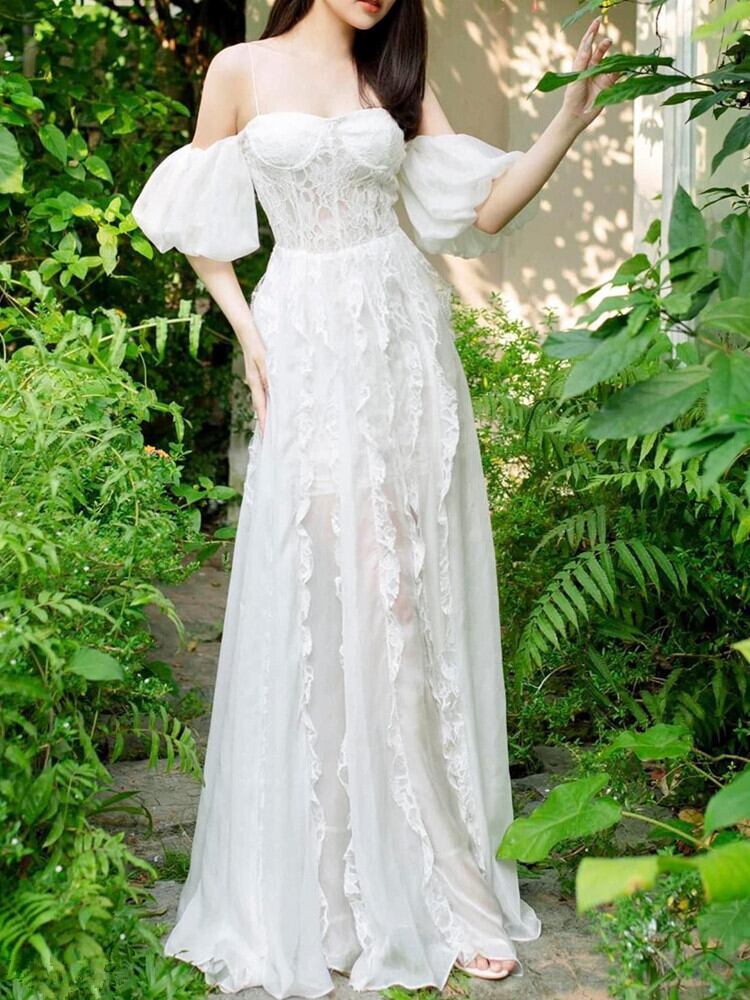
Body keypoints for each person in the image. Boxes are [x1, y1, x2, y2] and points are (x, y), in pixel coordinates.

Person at [132, 2, 617, 996]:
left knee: (403, 600)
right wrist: (247, 332)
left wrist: (569, 117)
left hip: (400, 345)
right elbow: (196, 218)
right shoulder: (240, 68)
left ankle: (448, 886)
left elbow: (484, 209)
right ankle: (329, 896)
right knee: (326, 597)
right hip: (303, 342)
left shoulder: (390, 77)